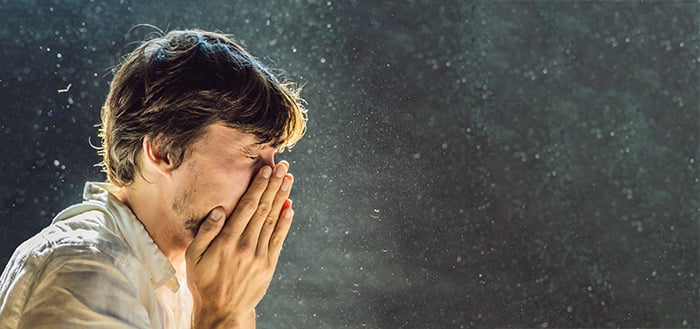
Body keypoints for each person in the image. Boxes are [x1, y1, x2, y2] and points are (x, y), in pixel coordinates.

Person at [0, 29, 307, 328]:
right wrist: (223, 316)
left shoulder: (189, 286)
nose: (271, 183)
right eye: (252, 155)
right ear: (164, 151)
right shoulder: (84, 272)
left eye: (273, 158)